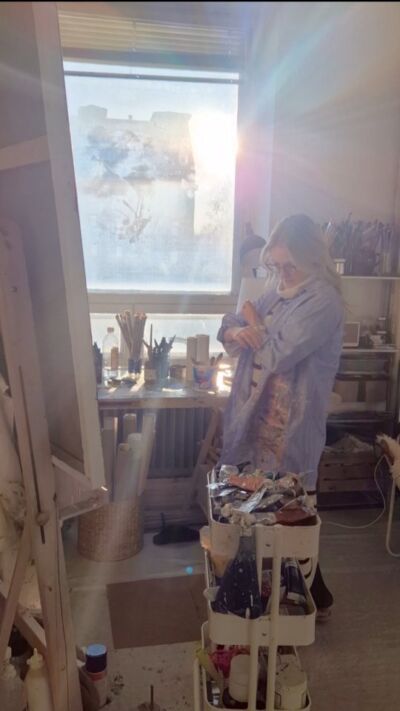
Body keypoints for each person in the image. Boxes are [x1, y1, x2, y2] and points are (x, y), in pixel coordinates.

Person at [217, 214, 345, 617]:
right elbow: (231, 323)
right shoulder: (280, 290)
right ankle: (286, 594)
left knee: (296, 521)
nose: (282, 274)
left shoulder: (323, 301)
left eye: (290, 266)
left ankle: (307, 604)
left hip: (290, 432)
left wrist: (253, 321)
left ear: (313, 260)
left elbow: (277, 353)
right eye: (276, 266)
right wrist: (238, 330)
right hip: (258, 424)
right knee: (263, 516)